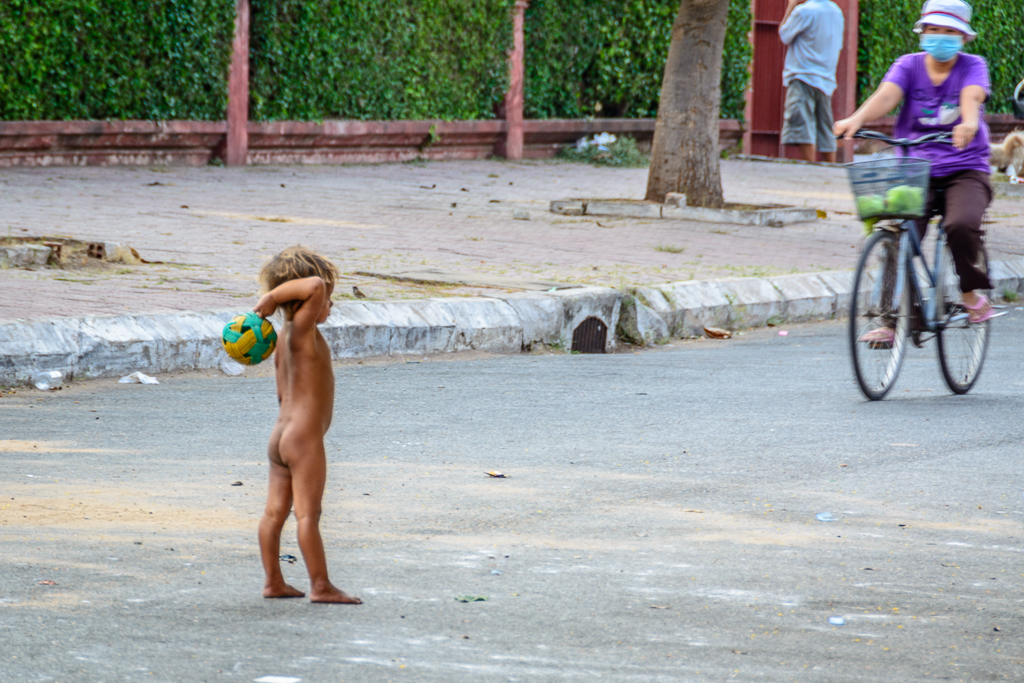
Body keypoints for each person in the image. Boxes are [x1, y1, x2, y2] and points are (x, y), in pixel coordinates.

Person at [835, 0, 995, 332]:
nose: (940, 37)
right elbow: (886, 96)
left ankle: (969, 291)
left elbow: (972, 96)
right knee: (897, 235)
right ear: (922, 33)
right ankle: (889, 321)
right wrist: (856, 119)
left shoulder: (972, 65)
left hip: (965, 168)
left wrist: (967, 122)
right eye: (933, 29)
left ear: (964, 37)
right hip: (914, 169)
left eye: (949, 31)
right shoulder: (908, 66)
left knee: (961, 224)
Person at [253, 246, 361, 604]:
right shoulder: (302, 329)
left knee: (274, 513)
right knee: (308, 514)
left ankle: (274, 582)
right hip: (303, 439)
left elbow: (282, 394)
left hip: (279, 436)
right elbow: (314, 284)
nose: (329, 303)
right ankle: (321, 585)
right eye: (330, 298)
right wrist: (269, 299)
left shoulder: (283, 337)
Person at [779, 0, 845, 163]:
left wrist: (791, 5)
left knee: (803, 125)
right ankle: (831, 168)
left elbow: (784, 35)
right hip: (826, 78)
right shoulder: (836, 12)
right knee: (825, 127)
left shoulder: (804, 11)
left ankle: (810, 169)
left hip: (803, 75)